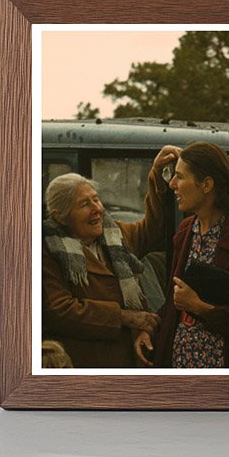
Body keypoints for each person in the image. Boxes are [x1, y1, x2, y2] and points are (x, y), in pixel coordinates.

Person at [41, 145, 179, 368]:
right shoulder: (47, 250)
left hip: (130, 358)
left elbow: (153, 230)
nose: (97, 209)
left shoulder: (116, 235)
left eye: (96, 199)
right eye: (84, 204)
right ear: (61, 217)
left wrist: (157, 175)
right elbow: (60, 310)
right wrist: (124, 317)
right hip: (87, 363)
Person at [149, 141, 229, 369]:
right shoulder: (186, 231)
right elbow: (173, 303)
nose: (172, 184)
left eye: (180, 177)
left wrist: (200, 308)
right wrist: (147, 330)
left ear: (206, 184)